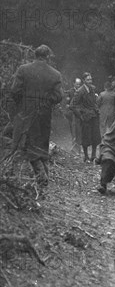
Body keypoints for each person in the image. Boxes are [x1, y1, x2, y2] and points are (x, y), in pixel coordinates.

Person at [10, 45, 63, 186]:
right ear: (47, 57)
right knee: (41, 144)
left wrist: (22, 105)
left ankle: (41, 177)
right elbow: (58, 97)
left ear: (35, 55)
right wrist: (46, 103)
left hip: (26, 113)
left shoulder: (23, 69)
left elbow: (15, 91)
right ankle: (44, 178)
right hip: (44, 115)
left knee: (26, 144)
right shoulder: (55, 74)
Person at [72, 72, 101, 163]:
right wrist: (81, 116)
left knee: (95, 136)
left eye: (91, 79)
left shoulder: (92, 89)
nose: (90, 81)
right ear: (84, 80)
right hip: (86, 118)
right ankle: (86, 156)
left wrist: (96, 109)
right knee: (86, 138)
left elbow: (94, 102)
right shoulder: (80, 91)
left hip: (94, 116)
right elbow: (73, 105)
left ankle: (93, 155)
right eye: (88, 80)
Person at [64, 77, 83, 153]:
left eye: (79, 84)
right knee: (73, 130)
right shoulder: (70, 92)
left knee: (80, 130)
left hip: (80, 113)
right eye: (77, 84)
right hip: (72, 114)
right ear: (74, 84)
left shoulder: (82, 91)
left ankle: (79, 147)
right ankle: (74, 146)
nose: (78, 85)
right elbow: (67, 104)